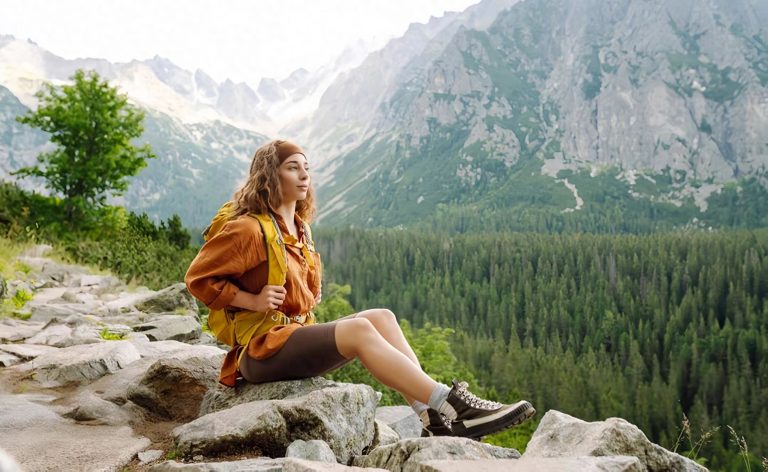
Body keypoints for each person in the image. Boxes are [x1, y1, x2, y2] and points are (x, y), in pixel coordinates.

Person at [185, 139, 535, 439]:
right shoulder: (247, 229)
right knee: (358, 329)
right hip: (260, 353)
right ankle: (453, 404)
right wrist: (252, 299)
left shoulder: (299, 228)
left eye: (306, 167)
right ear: (270, 175)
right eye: (293, 167)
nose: (305, 175)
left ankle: (432, 418)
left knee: (381, 316)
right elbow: (197, 278)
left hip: (292, 339)